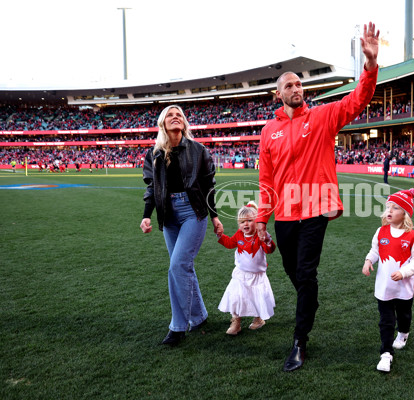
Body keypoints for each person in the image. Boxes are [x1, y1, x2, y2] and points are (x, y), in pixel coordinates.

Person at [256, 22, 380, 372]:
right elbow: (266, 180)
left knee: (306, 274)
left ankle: (299, 341)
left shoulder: (323, 116)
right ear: (278, 94)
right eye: (289, 85)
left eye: (299, 83)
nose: (297, 88)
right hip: (283, 214)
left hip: (315, 206)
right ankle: (308, 303)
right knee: (294, 273)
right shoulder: (269, 131)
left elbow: (358, 100)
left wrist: (369, 67)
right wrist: (262, 221)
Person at [140, 105, 223, 346]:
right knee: (184, 267)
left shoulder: (198, 150)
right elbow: (151, 188)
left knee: (177, 266)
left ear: (184, 124)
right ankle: (198, 317)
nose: (176, 118)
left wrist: (215, 217)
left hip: (193, 212)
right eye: (170, 115)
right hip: (168, 215)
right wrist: (147, 215)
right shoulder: (154, 154)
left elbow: (209, 186)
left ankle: (177, 327)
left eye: (180, 115)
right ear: (163, 123)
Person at [362, 188, 414, 373]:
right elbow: (375, 251)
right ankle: (386, 354)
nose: (389, 211)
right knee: (386, 321)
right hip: (384, 287)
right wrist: (368, 261)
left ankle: (403, 333)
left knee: (404, 315)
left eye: (395, 208)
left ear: (405, 214)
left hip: (404, 288)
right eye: (388, 206)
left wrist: (404, 272)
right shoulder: (381, 231)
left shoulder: (413, 236)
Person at [217, 201, 276, 335]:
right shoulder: (238, 235)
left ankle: (258, 319)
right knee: (237, 297)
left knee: (256, 299)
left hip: (257, 276)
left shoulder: (260, 235)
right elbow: (230, 243)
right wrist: (220, 236)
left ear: (257, 221)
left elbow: (270, 249)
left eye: (249, 220)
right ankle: (236, 322)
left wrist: (267, 241)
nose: (246, 224)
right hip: (240, 274)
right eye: (242, 222)